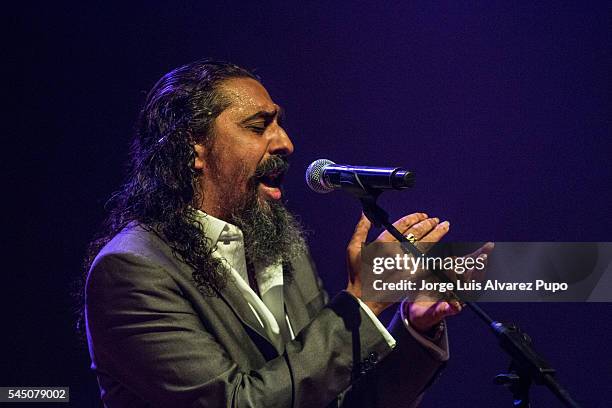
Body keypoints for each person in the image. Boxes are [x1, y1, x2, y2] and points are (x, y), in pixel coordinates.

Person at [84, 60, 462, 407]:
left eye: (279, 123)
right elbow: (237, 402)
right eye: (258, 126)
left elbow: (332, 396)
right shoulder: (133, 270)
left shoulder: (282, 248)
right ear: (193, 147)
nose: (285, 142)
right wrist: (361, 303)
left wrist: (414, 326)